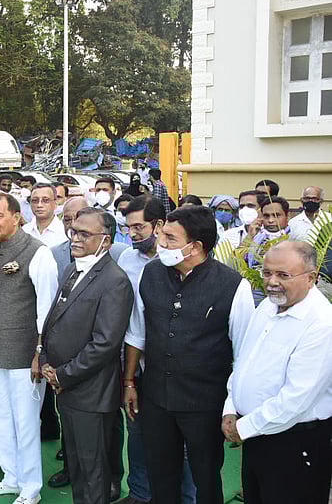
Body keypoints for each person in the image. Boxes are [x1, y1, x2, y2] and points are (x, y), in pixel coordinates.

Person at [124, 205, 254, 504]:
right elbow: (137, 331)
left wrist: (232, 407)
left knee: (206, 477)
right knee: (161, 475)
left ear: (194, 246)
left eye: (169, 238)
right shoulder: (151, 272)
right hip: (156, 398)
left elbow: (243, 353)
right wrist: (130, 382)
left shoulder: (234, 286)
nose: (161, 244)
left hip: (205, 404)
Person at [223, 241, 332, 504]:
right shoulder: (268, 307)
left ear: (311, 278)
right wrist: (230, 407)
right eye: (267, 272)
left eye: (283, 275)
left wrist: (244, 427)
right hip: (257, 436)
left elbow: (296, 398)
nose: (272, 282)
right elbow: (243, 363)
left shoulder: (322, 323)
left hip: (295, 442)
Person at [40, 207, 134, 504]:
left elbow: (105, 344)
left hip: (90, 393)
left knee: (93, 470)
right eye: (73, 232)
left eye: (84, 234)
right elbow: (54, 320)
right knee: (77, 465)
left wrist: (63, 374)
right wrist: (45, 361)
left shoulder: (115, 280)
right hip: (66, 387)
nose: (75, 239)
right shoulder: (72, 268)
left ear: (106, 240)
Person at [0, 193, 59, 504]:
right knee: (1, 419)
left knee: (26, 424)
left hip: (26, 356)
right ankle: (10, 477)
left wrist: (41, 352)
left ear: (17, 216)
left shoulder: (38, 253)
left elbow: (47, 310)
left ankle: (31, 488)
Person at [117, 196, 196, 504]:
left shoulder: (181, 263)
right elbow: (131, 319)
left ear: (159, 225)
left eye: (139, 227)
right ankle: (139, 493)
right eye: (129, 228)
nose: (133, 234)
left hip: (178, 369)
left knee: (183, 442)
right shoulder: (126, 259)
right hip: (135, 361)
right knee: (136, 432)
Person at [22, 183, 68, 247]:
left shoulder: (65, 233)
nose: (39, 205)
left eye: (46, 200)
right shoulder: (24, 231)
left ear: (55, 203)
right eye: (35, 201)